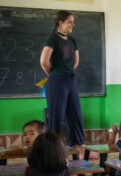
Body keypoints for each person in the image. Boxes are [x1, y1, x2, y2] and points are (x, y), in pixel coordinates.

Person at [40, 10, 84, 148]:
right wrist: (55, 75)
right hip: (57, 80)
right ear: (60, 22)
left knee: (75, 113)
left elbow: (76, 61)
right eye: (69, 22)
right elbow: (44, 61)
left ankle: (78, 145)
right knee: (56, 116)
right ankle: (54, 148)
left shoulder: (72, 40)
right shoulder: (53, 39)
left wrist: (68, 72)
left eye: (73, 22)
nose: (72, 25)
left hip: (71, 79)